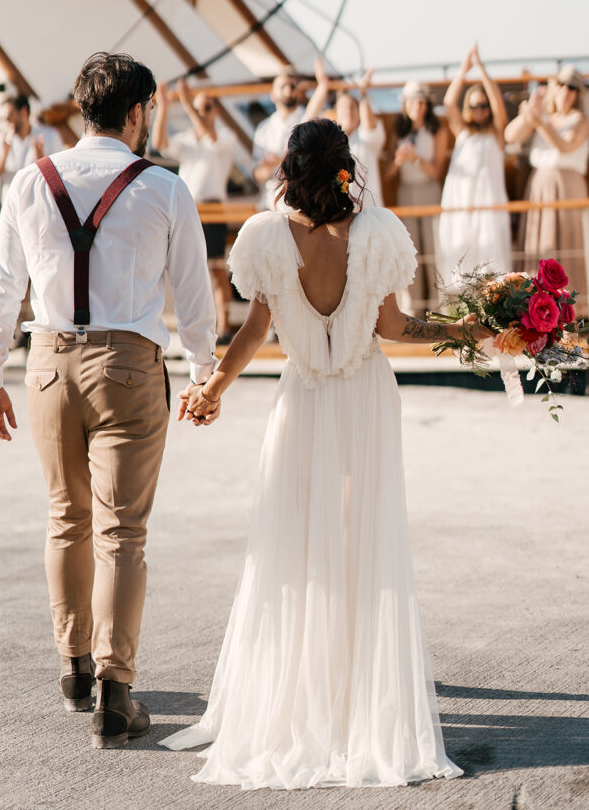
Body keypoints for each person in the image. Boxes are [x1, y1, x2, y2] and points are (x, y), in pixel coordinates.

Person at [163, 119, 491, 789]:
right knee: (363, 547)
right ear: (347, 169)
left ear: (289, 169)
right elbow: (396, 328)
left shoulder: (261, 236)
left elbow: (255, 330)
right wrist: (469, 331)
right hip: (364, 401)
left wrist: (210, 389)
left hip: (302, 403)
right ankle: (358, 708)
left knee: (293, 554)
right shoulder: (375, 235)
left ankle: (298, 709)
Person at [0, 52, 217, 750]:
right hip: (128, 368)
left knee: (64, 519)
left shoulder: (29, 181)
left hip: (48, 362)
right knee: (122, 533)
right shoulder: (164, 189)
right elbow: (193, 295)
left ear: (83, 109)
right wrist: (203, 373)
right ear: (137, 110)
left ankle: (74, 668)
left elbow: (1, 289)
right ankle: (115, 691)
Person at [152, 80, 238, 342]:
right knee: (188, 266)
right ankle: (195, 325)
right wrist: (165, 107)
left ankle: (223, 327)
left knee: (216, 267)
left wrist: (188, 105)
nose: (201, 112)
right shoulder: (188, 139)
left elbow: (210, 138)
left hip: (212, 207)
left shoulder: (225, 138)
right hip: (189, 206)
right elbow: (159, 143)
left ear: (216, 111)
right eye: (199, 108)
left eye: (207, 107)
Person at [505, 65, 589, 314]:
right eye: (562, 85)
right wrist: (530, 114)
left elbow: (566, 145)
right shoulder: (542, 115)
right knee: (542, 244)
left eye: (573, 87)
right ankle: (539, 309)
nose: (567, 91)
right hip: (540, 187)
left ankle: (572, 312)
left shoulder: (581, 121)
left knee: (567, 245)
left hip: (567, 187)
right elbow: (510, 136)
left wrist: (539, 123)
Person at [439, 44, 512, 286]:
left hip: (489, 205)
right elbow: (449, 103)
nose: (479, 110)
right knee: (462, 260)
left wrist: (482, 71)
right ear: (468, 109)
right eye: (474, 106)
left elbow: (500, 109)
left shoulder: (496, 134)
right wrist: (463, 71)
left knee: (493, 262)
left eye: (483, 106)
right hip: (462, 204)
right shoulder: (462, 132)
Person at [385, 81, 449, 315]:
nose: (418, 106)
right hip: (406, 193)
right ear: (405, 104)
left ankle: (437, 307)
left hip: (429, 191)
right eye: (413, 100)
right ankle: (414, 307)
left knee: (433, 249)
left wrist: (416, 159)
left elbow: (437, 171)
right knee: (410, 251)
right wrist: (399, 160)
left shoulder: (437, 131)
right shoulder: (398, 132)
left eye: (422, 101)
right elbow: (388, 173)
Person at [308, 63, 386, 207]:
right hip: (340, 213)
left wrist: (363, 93)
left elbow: (369, 125)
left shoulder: (368, 139)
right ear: (336, 113)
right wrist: (322, 87)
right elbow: (307, 122)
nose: (348, 111)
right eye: (343, 107)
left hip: (369, 212)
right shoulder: (329, 141)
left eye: (352, 107)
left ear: (359, 112)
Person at [252, 66, 328, 211]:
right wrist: (267, 169)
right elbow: (255, 172)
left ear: (298, 92)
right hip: (270, 204)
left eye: (292, 86)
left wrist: (280, 163)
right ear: (272, 94)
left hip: (301, 205)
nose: (288, 91)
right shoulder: (263, 128)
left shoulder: (307, 122)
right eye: (283, 87)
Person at [0, 94, 64, 203]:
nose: (6, 121)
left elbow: (58, 176)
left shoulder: (49, 136)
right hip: (11, 205)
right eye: (4, 118)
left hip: (39, 203)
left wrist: (40, 158)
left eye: (9, 116)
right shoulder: (0, 140)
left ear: (23, 112)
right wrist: (4, 156)